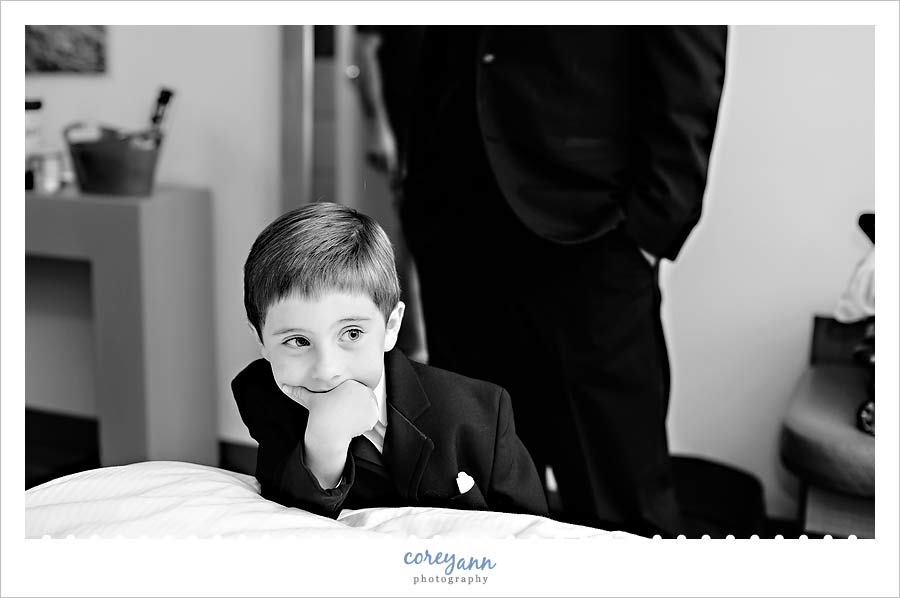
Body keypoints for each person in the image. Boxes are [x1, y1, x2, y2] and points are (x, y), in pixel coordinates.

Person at [398, 26, 729, 537]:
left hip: (591, 234)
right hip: (455, 221)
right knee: (477, 489)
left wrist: (648, 231)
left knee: (617, 499)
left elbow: (687, 59)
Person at [232, 202, 548, 518]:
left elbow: (535, 534)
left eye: (352, 334)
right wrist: (324, 440)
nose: (327, 370)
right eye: (298, 341)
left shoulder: (481, 412)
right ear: (260, 339)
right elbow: (285, 521)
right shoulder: (263, 395)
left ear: (391, 327)